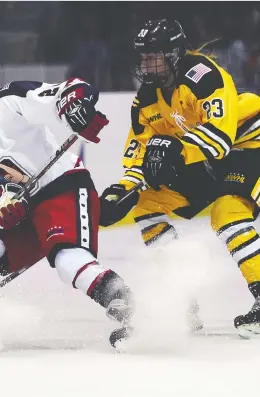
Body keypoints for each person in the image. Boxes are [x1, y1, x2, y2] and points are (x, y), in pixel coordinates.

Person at [0, 62, 132, 343]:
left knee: (68, 261)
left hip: (61, 189)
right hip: (24, 213)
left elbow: (66, 92)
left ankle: (132, 310)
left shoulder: (8, 102)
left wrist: (75, 103)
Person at [100, 19, 260, 338]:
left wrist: (174, 147)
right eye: (143, 56)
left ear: (173, 54)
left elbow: (221, 137)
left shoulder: (204, 76)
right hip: (202, 157)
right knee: (145, 204)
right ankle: (182, 300)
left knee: (227, 214)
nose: (145, 63)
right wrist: (124, 189)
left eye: (152, 55)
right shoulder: (146, 98)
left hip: (248, 145)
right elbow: (141, 153)